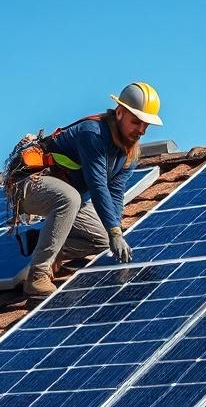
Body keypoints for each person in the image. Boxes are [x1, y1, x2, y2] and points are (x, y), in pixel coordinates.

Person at [9, 82, 163, 296]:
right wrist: (114, 231)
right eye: (136, 122)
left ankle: (48, 245)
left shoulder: (129, 153)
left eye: (146, 125)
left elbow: (115, 193)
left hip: (67, 195)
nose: (141, 130)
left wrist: (115, 232)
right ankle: (38, 275)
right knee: (71, 198)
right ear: (119, 113)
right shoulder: (93, 134)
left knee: (103, 240)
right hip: (29, 184)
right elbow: (97, 185)